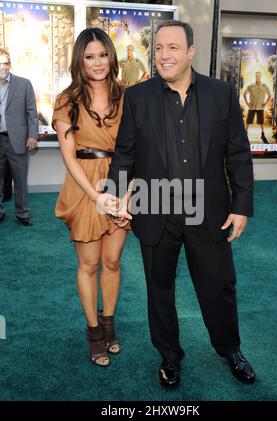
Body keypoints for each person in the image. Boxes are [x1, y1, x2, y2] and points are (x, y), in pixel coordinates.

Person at [99, 20, 256, 387]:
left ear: (190, 52)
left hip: (209, 213)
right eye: (158, 48)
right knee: (160, 290)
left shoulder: (221, 94)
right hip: (156, 212)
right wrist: (114, 196)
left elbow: (238, 153)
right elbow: (125, 154)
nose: (163, 55)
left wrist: (241, 204)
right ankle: (170, 356)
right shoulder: (137, 97)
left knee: (219, 286)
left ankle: (230, 348)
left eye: (172, 48)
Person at [52, 28, 130, 367]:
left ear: (111, 56)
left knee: (113, 261)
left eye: (102, 55)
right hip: (85, 185)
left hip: (121, 183)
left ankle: (110, 323)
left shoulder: (129, 96)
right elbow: (68, 155)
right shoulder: (67, 99)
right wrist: (95, 196)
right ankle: (94, 332)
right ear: (79, 61)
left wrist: (124, 195)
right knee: (90, 263)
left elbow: (136, 149)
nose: (97, 62)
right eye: (89, 56)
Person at [0, 48, 38, 226]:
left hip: (18, 139)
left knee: (21, 179)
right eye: (0, 63)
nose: (4, 67)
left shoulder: (24, 84)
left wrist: (32, 136)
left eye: (6, 62)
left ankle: (22, 213)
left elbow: (32, 113)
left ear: (10, 64)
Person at [243, 71, 271, 144]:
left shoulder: (264, 86)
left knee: (261, 122)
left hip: (260, 107)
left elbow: (269, 95)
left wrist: (265, 103)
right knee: (248, 121)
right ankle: (245, 135)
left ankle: (262, 135)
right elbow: (244, 94)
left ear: (260, 77)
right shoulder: (251, 86)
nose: (257, 77)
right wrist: (247, 103)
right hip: (252, 107)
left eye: (259, 76)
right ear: (255, 77)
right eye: (256, 76)